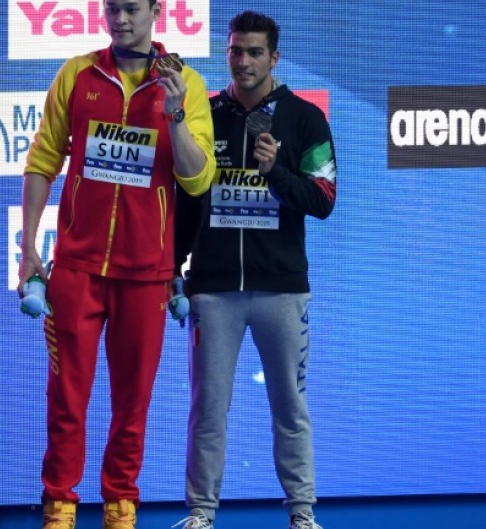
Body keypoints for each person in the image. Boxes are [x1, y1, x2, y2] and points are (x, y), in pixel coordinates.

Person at [17, 0, 216, 528]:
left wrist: (173, 114)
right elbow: (42, 160)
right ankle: (59, 504)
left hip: (147, 273)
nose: (120, 19)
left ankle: (120, 505)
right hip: (77, 268)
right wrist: (29, 246)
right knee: (66, 398)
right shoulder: (77, 74)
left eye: (131, 9)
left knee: (133, 403)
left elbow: (197, 179)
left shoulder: (186, 84)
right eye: (112, 9)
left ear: (155, 11)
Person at [174, 10, 337, 529]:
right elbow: (185, 199)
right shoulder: (206, 114)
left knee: (291, 408)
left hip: (282, 290)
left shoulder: (305, 118)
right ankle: (201, 514)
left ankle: (302, 514)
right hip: (214, 288)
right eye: (235, 51)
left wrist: (276, 173)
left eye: (254, 52)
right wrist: (173, 266)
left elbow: (324, 199)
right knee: (208, 411)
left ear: (274, 58)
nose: (242, 61)